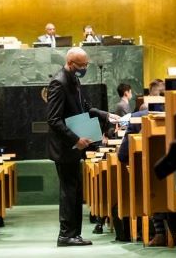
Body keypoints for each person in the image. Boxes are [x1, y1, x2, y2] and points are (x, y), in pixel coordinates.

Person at [46, 47, 116, 247]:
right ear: (70, 63)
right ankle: (66, 234)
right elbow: (53, 120)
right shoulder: (58, 83)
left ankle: (73, 234)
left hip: (74, 148)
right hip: (65, 148)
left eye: (86, 65)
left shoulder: (74, 80)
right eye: (81, 65)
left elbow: (83, 107)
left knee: (75, 191)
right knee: (69, 191)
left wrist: (105, 115)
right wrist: (75, 139)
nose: (85, 68)